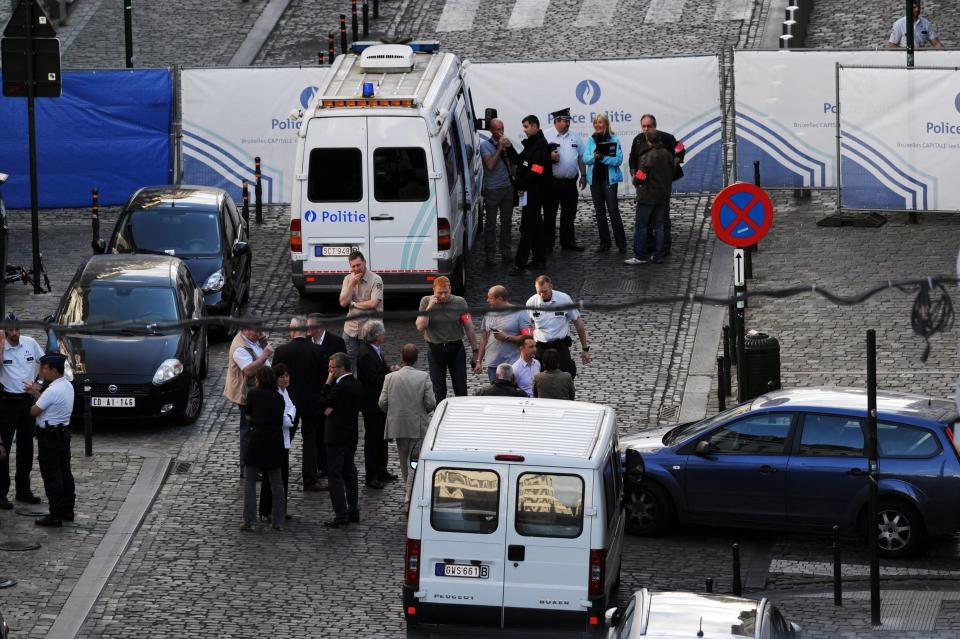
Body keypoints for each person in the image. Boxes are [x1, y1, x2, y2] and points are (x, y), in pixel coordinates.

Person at [272, 316, 328, 493]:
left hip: (289, 403)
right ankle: (310, 478)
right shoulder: (317, 351)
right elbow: (322, 377)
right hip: (312, 402)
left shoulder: (282, 351)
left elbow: (275, 378)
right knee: (310, 440)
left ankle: (280, 474)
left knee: (285, 439)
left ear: (292, 329)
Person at [378, 344, 435, 513]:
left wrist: (394, 412)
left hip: (398, 427)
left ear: (402, 358)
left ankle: (408, 494)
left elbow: (382, 403)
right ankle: (409, 498)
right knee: (414, 465)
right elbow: (431, 403)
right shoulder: (423, 377)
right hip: (417, 427)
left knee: (405, 465)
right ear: (416, 359)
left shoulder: (390, 378)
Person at [26, 354, 75, 527]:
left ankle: (55, 514)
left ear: (53, 370)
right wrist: (37, 392)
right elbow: (50, 403)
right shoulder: (67, 386)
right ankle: (68, 510)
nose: (42, 372)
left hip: (49, 438)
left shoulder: (52, 390)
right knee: (65, 473)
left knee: (52, 475)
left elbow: (34, 411)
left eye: (44, 368)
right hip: (62, 434)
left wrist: (35, 397)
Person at [0, 313, 43, 509]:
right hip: (6, 402)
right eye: (11, 330)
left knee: (26, 448)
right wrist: (1, 342)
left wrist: (39, 384)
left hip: (26, 402)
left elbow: (45, 362)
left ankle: (23, 490)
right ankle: (1, 493)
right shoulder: (1, 346)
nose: (15, 333)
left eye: (18, 329)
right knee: (3, 449)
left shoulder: (29, 342)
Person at [416, 276, 479, 404]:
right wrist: (429, 308)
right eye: (440, 293)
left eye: (446, 292)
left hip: (456, 349)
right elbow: (420, 326)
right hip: (435, 349)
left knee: (460, 387)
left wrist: (475, 351)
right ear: (434, 290)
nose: (443, 296)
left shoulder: (460, 302)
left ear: (450, 289)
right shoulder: (426, 301)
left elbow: (469, 327)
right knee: (438, 390)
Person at [628, 114, 685, 256]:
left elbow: (680, 148)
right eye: (644, 126)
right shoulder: (638, 140)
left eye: (649, 126)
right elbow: (633, 158)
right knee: (646, 219)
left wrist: (675, 161)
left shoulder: (665, 138)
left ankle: (664, 247)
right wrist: (633, 174)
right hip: (645, 186)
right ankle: (649, 245)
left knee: (662, 218)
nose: (646, 129)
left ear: (655, 126)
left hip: (661, 185)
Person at [319, 352, 364, 528]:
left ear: (341, 368)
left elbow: (322, 401)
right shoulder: (357, 384)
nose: (329, 371)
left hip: (336, 436)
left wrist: (327, 383)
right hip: (350, 435)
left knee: (335, 475)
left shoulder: (339, 386)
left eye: (331, 368)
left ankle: (340, 514)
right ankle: (353, 510)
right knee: (350, 473)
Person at [224, 323, 273, 476]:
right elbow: (249, 370)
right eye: (256, 329)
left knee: (255, 431)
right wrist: (265, 354)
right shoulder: (240, 348)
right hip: (247, 395)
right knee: (247, 432)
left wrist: (263, 343)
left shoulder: (253, 340)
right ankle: (246, 469)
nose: (259, 332)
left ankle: (254, 465)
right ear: (244, 329)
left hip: (257, 392)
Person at [241, 366, 286, 531]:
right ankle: (278, 520)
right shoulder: (279, 398)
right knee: (277, 483)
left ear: (259, 379)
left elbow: (248, 415)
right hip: (275, 440)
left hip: (258, 438)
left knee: (250, 480)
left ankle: (249, 519)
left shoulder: (254, 394)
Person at [510, 114, 553, 276]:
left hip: (535, 193)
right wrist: (508, 147)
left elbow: (537, 169)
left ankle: (519, 264)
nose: (524, 130)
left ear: (535, 126)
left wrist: (521, 184)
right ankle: (539, 259)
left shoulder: (541, 145)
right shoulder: (532, 144)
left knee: (527, 228)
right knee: (536, 227)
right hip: (531, 192)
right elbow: (521, 162)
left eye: (526, 126)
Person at [526, 275, 590, 378]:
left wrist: (585, 349)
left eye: (545, 291)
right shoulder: (531, 303)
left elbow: (578, 322)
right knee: (538, 381)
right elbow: (528, 327)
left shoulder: (564, 299)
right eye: (539, 292)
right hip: (541, 349)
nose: (542, 295)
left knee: (566, 378)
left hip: (560, 349)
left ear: (551, 286)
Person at [307, 313, 346, 479]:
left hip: (330, 395)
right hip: (313, 394)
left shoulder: (336, 342)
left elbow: (343, 371)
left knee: (330, 431)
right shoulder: (306, 343)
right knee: (316, 433)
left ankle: (332, 463)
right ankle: (320, 464)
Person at [543, 107, 587, 253]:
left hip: (569, 183)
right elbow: (536, 158)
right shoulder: (545, 135)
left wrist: (583, 175)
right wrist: (548, 157)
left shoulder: (574, 137)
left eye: (569, 121)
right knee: (550, 215)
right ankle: (548, 245)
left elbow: (581, 157)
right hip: (551, 183)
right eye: (565, 121)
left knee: (569, 214)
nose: (568, 124)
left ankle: (568, 243)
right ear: (557, 121)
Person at [356, 321, 392, 489]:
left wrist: (390, 370)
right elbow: (373, 379)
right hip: (372, 403)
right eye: (382, 333)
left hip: (380, 402)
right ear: (376, 336)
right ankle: (371, 475)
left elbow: (381, 370)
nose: (384, 335)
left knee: (382, 437)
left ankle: (381, 469)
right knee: (373, 439)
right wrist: (391, 376)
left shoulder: (374, 351)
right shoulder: (366, 354)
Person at [583, 113, 626, 254]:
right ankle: (605, 243)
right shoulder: (591, 139)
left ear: (606, 124)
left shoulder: (614, 139)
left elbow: (618, 160)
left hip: (609, 181)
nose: (597, 125)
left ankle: (621, 244)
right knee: (600, 213)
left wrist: (603, 158)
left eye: (600, 122)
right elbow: (585, 158)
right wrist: (594, 158)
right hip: (595, 181)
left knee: (613, 213)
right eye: (595, 123)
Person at [258, 363, 295, 521]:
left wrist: (291, 413)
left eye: (287, 376)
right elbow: (285, 420)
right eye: (282, 377)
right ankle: (267, 510)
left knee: (282, 477)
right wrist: (292, 414)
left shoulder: (285, 392)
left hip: (283, 441)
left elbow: (292, 409)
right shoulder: (277, 395)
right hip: (276, 441)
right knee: (271, 477)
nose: (285, 379)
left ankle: (279, 509)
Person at [479, 118, 518, 265]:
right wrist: (500, 149)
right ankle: (490, 255)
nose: (501, 132)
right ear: (491, 130)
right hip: (492, 190)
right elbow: (489, 165)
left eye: (502, 128)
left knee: (506, 223)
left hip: (507, 188)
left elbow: (513, 164)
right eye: (497, 129)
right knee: (490, 224)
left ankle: (506, 253)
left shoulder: (507, 143)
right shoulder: (485, 146)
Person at [475, 285, 533, 382]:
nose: (487, 300)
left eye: (490, 298)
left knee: (512, 394)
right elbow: (484, 338)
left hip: (512, 364)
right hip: (493, 365)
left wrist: (506, 337)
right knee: (496, 395)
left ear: (500, 299)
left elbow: (529, 337)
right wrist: (478, 361)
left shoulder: (520, 313)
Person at [338, 251, 384, 371]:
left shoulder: (376, 279)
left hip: (370, 331)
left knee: (370, 366)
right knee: (349, 364)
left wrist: (354, 304)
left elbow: (374, 303)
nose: (356, 268)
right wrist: (351, 285)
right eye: (353, 266)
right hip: (351, 330)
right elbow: (343, 302)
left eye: (359, 265)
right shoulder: (348, 279)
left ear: (364, 262)